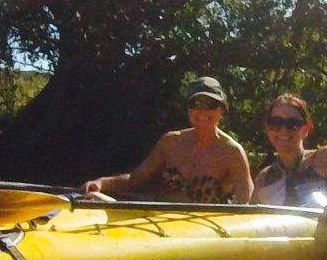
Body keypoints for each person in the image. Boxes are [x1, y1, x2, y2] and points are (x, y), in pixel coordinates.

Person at [83, 76, 253, 203]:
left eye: (210, 105)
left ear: (222, 111)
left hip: (204, 235)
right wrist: (101, 183)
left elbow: (247, 202)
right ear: (187, 109)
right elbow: (136, 179)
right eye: (195, 104)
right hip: (159, 225)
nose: (202, 111)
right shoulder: (170, 142)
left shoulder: (232, 152)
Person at [251, 94, 327, 221]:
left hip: (326, 237)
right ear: (267, 128)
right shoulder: (264, 178)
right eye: (275, 123)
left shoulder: (325, 158)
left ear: (306, 129)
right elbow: (249, 216)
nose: (283, 130)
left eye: (292, 124)